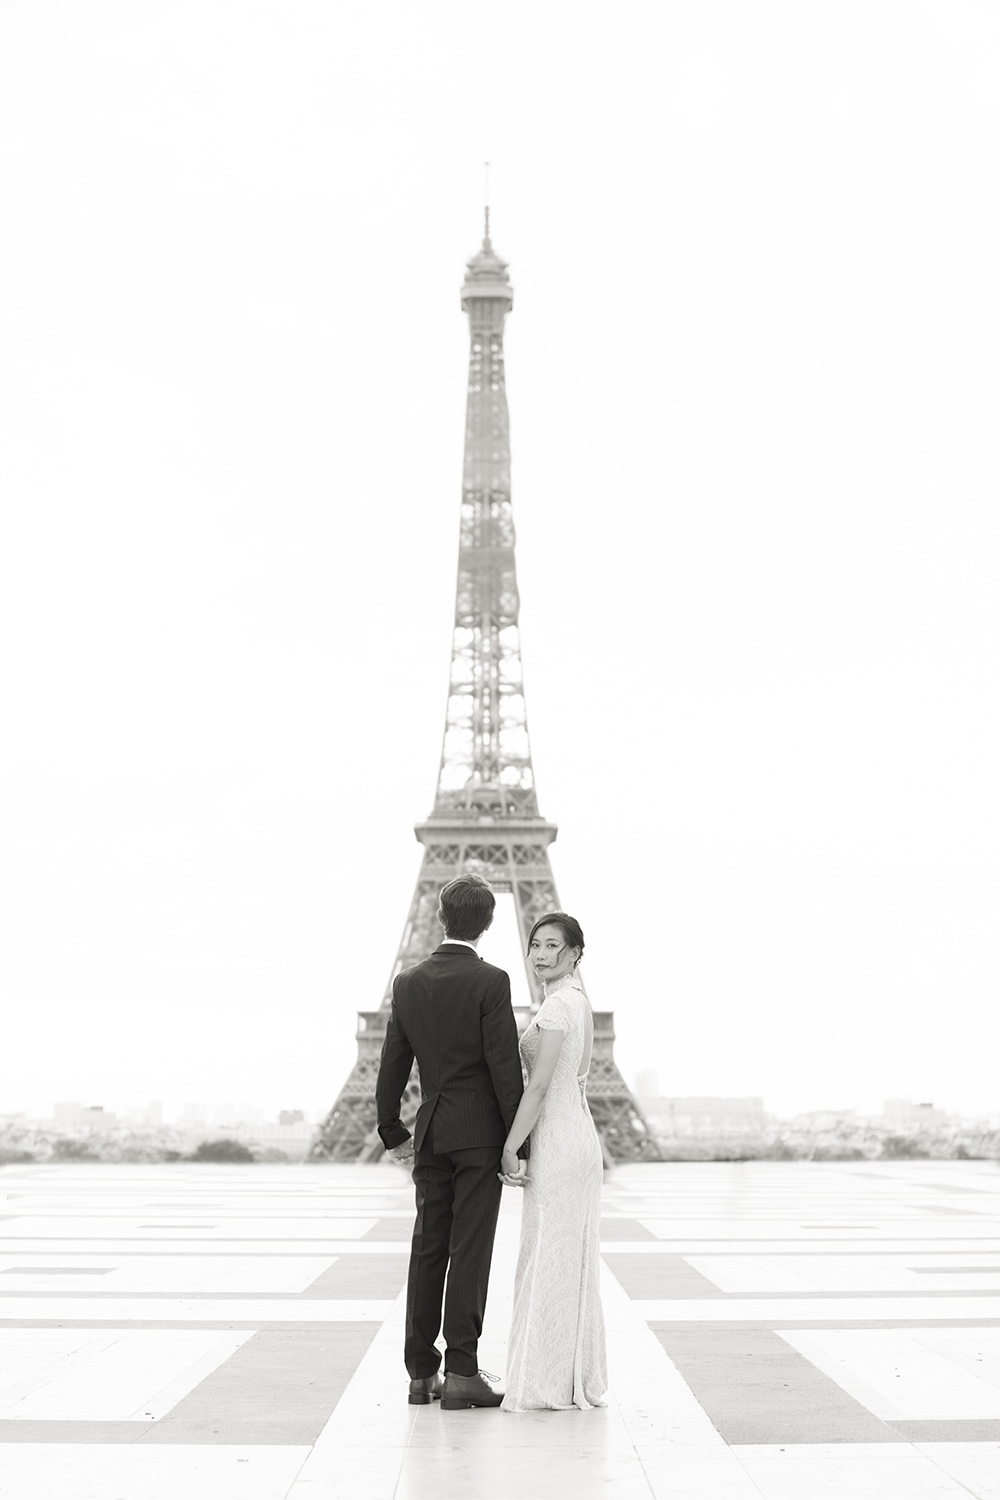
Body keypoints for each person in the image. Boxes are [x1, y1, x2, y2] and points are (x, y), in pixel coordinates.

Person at [375, 873, 526, 1410]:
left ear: (440, 917)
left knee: (427, 1247)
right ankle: (462, 1370)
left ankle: (421, 1373)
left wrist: (392, 1129)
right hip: (480, 1134)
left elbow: (393, 1061)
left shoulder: (409, 982)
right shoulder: (491, 981)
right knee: (470, 1251)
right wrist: (518, 1143)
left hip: (432, 1130)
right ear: (488, 923)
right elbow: (504, 1067)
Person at [498, 912, 608, 1411]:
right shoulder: (577, 1003)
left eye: (553, 946)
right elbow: (574, 1079)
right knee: (566, 1259)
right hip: (579, 1136)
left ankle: (544, 1382)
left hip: (558, 1143)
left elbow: (539, 1086)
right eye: (535, 944)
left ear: (575, 953)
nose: (541, 954)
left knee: (548, 1257)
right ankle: (566, 1377)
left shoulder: (559, 1006)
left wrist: (510, 1145)